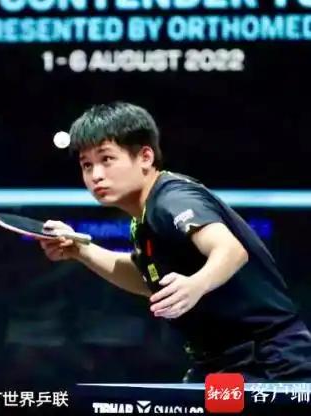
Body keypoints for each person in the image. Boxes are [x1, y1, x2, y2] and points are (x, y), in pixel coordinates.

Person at [39, 102, 311, 382]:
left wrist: (196, 284)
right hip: (223, 364)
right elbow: (147, 279)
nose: (96, 175)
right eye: (87, 165)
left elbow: (230, 250)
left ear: (145, 157)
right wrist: (80, 250)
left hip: (272, 364)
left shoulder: (172, 199)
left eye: (107, 159)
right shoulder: (144, 218)